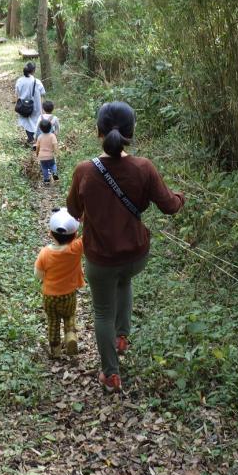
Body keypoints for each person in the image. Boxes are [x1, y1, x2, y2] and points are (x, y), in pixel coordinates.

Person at [66, 101, 184, 392]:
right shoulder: (144, 168)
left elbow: (73, 211)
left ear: (98, 131)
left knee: (102, 312)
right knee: (124, 280)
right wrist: (182, 197)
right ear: (131, 132)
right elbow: (170, 206)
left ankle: (110, 374)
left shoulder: (84, 171)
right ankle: (122, 337)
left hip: (100, 259)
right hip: (135, 256)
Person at [34, 208, 85, 358]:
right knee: (69, 316)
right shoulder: (76, 248)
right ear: (75, 235)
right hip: (68, 295)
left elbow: (38, 274)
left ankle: (55, 351)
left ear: (50, 233)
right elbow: (89, 235)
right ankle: (70, 337)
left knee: (53, 322)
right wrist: (83, 218)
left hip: (49, 296)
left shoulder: (45, 253)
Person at [15, 61, 44, 145]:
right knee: (36, 121)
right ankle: (36, 139)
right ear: (33, 71)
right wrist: (42, 107)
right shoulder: (37, 82)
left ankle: (31, 138)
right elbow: (42, 94)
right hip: (36, 106)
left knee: (27, 121)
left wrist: (17, 103)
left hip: (24, 105)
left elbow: (17, 93)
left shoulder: (20, 81)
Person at [35, 118, 59, 184]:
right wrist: (56, 153)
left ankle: (46, 180)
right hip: (50, 156)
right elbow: (55, 145)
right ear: (50, 127)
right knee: (53, 165)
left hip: (42, 156)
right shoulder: (52, 136)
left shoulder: (40, 137)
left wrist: (37, 154)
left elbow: (37, 147)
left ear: (40, 128)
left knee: (44, 168)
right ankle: (55, 174)